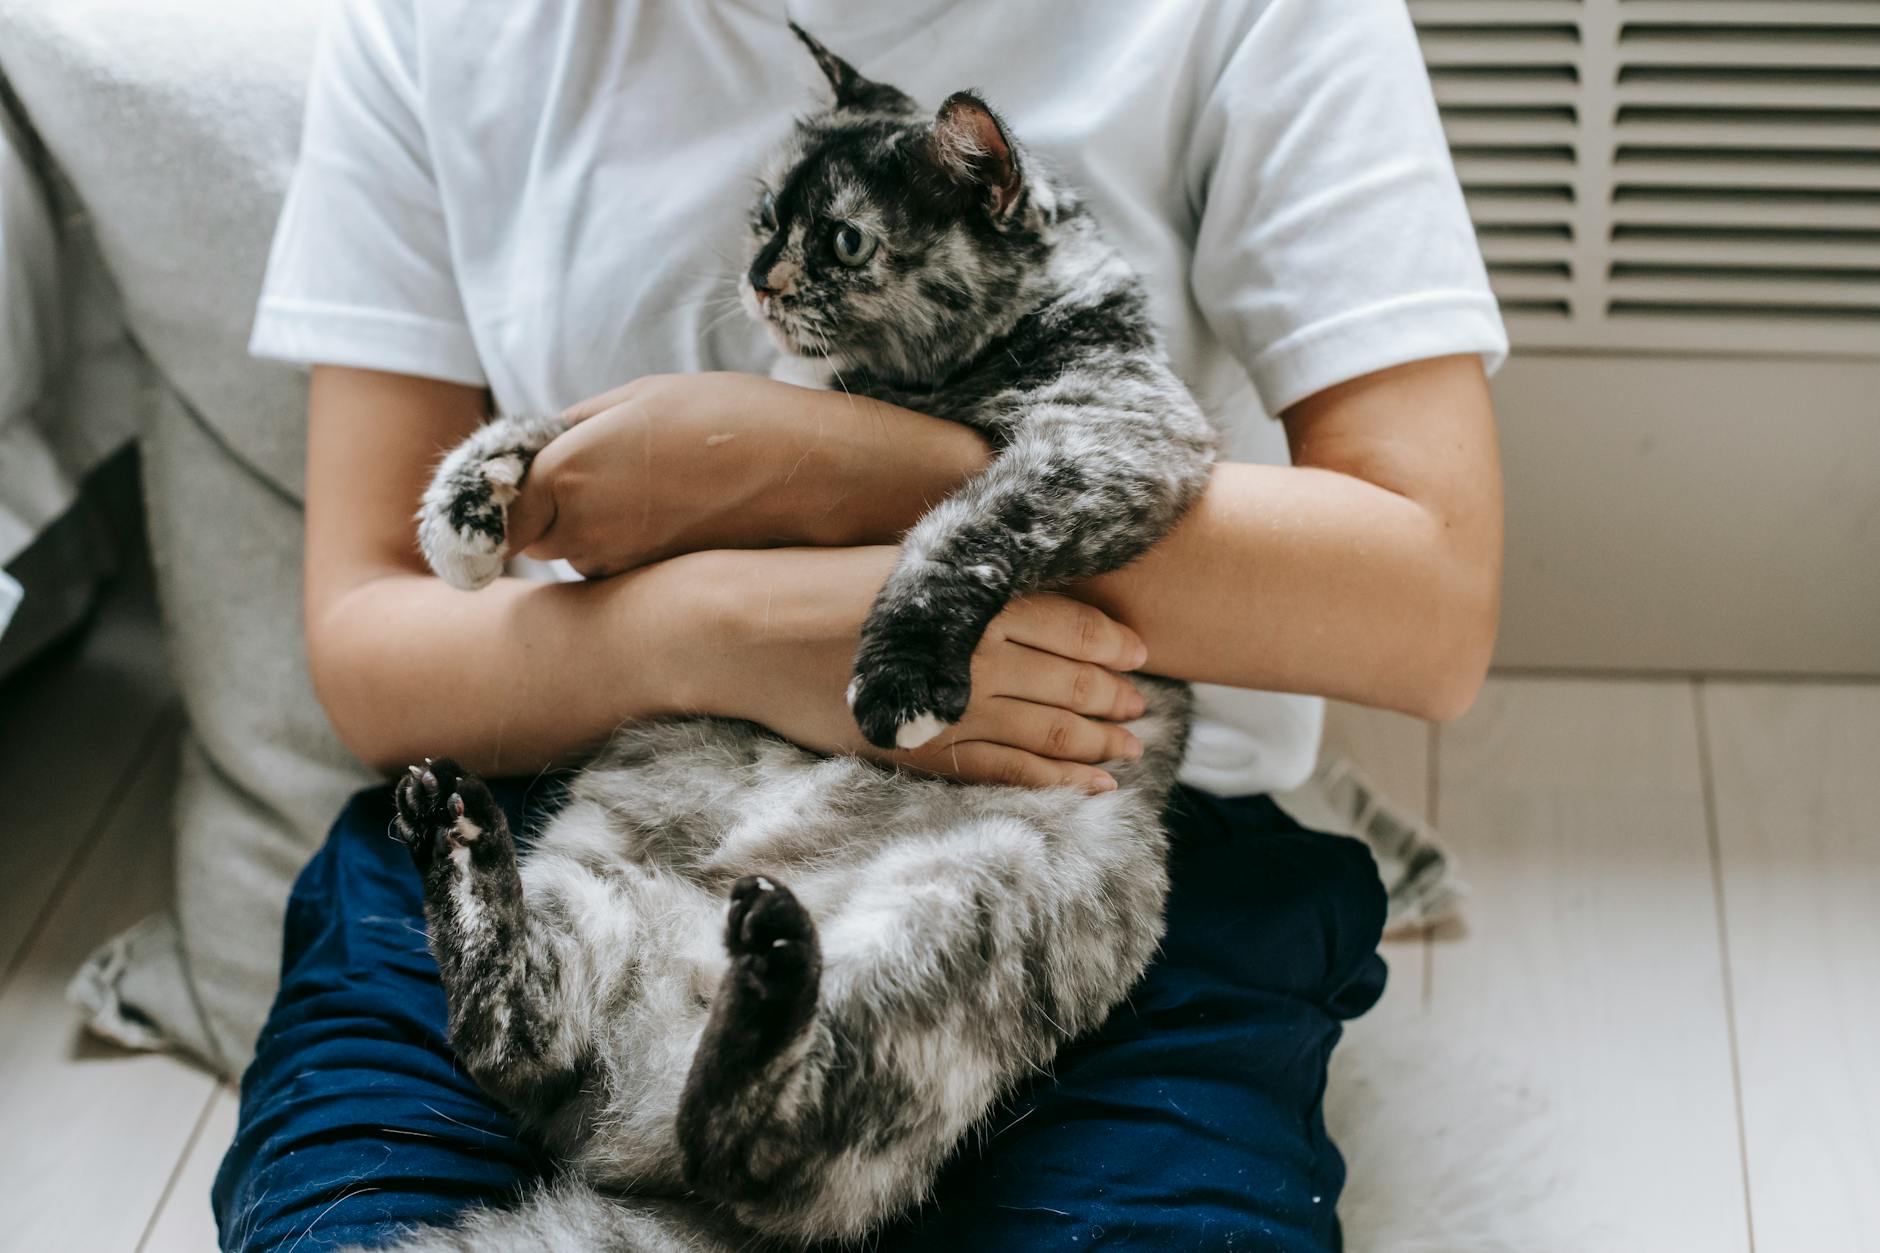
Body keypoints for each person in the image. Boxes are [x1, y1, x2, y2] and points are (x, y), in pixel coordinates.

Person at [212, 1, 1506, 1249]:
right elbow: (372, 634)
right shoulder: (436, 24)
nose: (772, 277)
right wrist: (709, 631)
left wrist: (802, 467)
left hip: (1070, 817)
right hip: (588, 780)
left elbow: (1431, 610)